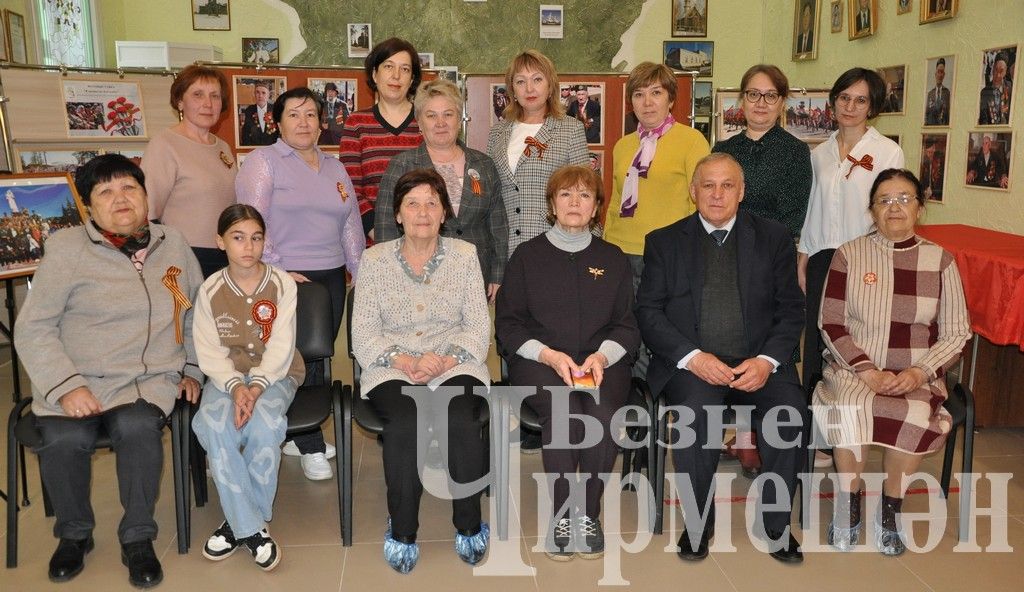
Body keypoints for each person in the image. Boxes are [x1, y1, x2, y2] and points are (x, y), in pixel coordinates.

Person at [14, 154, 204, 588]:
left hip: (148, 378)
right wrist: (66, 386)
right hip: (78, 378)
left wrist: (191, 367)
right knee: (64, 438)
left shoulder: (171, 241)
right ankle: (74, 534)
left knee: (138, 430)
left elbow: (193, 313)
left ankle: (137, 537)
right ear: (89, 207)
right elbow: (35, 326)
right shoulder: (66, 249)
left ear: (145, 195)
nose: (121, 199)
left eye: (130, 188)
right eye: (106, 192)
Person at [636, 153, 807, 564]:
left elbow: (792, 309)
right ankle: (698, 523)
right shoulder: (664, 241)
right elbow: (649, 312)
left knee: (790, 411)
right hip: (694, 364)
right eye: (708, 185)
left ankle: (776, 521)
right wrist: (692, 358)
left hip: (758, 361)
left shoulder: (774, 238)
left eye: (727, 185)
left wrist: (767, 360)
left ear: (742, 191)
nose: (717, 194)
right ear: (693, 192)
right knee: (697, 415)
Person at [814, 169, 971, 556]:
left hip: (916, 372)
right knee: (851, 408)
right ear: (872, 210)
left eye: (904, 199)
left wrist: (920, 372)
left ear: (920, 207)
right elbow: (830, 323)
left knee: (915, 413)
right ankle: (848, 504)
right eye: (884, 200)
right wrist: (867, 370)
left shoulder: (941, 261)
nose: (894, 208)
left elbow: (956, 332)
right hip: (853, 370)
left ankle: (890, 508)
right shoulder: (849, 255)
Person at [351, 168, 491, 574]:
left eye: (432, 202)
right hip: (391, 366)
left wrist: (445, 359)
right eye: (412, 203)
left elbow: (478, 325)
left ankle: (467, 524)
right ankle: (403, 529)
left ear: (444, 211)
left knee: (460, 419)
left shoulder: (464, 256)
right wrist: (406, 361)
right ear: (398, 214)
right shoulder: (374, 259)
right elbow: (363, 332)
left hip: (455, 362)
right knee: (406, 422)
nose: (423, 212)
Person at [495, 165, 639, 561]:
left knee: (601, 412)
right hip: (541, 361)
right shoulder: (526, 257)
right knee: (562, 411)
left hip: (602, 363)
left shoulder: (613, 258)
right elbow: (508, 325)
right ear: (551, 204)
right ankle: (562, 515)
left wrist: (600, 356)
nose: (574, 203)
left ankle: (587, 514)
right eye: (565, 195)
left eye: (585, 196)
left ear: (596, 209)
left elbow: (627, 326)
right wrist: (549, 355)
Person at [236, 86, 365, 480]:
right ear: (277, 121)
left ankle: (301, 434)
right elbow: (250, 221)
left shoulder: (334, 166)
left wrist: (361, 274)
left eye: (311, 114)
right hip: (281, 277)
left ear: (322, 121)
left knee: (317, 358)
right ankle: (306, 444)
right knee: (283, 360)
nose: (304, 122)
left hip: (329, 277)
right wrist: (274, 270)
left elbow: (350, 223)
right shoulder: (263, 161)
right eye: (293, 114)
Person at [192, 205, 304, 572]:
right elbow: (209, 352)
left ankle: (238, 524)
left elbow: (282, 346)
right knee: (212, 423)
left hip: (275, 374)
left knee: (264, 424)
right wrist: (235, 386)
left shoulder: (282, 283)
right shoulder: (209, 290)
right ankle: (253, 528)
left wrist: (254, 388)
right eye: (238, 238)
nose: (248, 247)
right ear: (219, 242)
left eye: (256, 238)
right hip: (225, 377)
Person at [713, 64, 812, 476]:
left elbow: (792, 216)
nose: (760, 103)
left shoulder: (794, 151)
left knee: (765, 347)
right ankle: (734, 432)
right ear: (741, 100)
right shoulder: (723, 149)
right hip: (721, 260)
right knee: (727, 340)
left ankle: (756, 437)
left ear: (782, 102)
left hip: (770, 262)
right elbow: (711, 204)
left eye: (770, 95)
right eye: (753, 94)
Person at [799, 67, 904, 397]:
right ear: (833, 102)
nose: (850, 106)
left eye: (860, 100)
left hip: (865, 259)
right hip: (822, 259)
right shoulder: (819, 154)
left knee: (855, 340)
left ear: (872, 107)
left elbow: (893, 213)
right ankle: (814, 432)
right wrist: (803, 258)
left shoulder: (888, 152)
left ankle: (850, 426)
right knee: (817, 343)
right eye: (844, 98)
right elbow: (811, 210)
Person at [605, 61, 710, 378]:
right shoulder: (624, 146)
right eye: (638, 94)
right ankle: (635, 403)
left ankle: (661, 404)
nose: (647, 102)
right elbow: (614, 201)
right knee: (628, 332)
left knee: (661, 334)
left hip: (668, 256)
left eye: (656, 93)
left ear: (671, 99)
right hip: (623, 253)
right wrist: (606, 247)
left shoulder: (692, 141)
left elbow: (702, 203)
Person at [375, 79, 507, 302]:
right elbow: (386, 227)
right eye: (431, 115)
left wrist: (498, 273)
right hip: (417, 274)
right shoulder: (402, 165)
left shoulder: (483, 164)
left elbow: (498, 225)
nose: (440, 123)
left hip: (476, 273)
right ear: (419, 122)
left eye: (448, 114)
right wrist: (392, 276)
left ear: (459, 119)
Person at [486, 49, 589, 257]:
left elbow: (586, 192)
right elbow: (490, 195)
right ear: (512, 89)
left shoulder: (570, 129)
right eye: (521, 81)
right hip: (505, 250)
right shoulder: (498, 132)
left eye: (537, 79)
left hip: (555, 247)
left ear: (550, 86)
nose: (529, 88)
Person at [142, 64, 237, 278]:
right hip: (184, 257)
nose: (208, 103)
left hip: (226, 255)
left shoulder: (222, 147)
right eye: (197, 95)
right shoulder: (165, 144)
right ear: (180, 101)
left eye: (215, 96)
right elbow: (149, 214)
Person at [340, 37, 424, 242]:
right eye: (388, 66)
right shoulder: (356, 123)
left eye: (404, 69)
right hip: (373, 240)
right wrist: (377, 231)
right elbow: (348, 187)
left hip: (424, 236)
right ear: (375, 74)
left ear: (412, 79)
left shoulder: (427, 121)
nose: (396, 76)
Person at [979, 51, 1013, 125]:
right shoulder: (985, 92)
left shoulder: (1011, 88)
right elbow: (983, 121)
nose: (997, 75)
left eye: (1001, 71)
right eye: (996, 70)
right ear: (993, 68)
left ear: (1006, 71)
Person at [241, 81, 279, 146]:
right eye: (257, 92)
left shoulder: (275, 110)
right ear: (254, 94)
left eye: (263, 93)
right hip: (254, 149)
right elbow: (245, 134)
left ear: (268, 95)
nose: (260, 96)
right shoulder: (249, 110)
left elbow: (280, 133)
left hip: (272, 149)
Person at [924, 58, 950, 125]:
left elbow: (949, 115)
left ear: (944, 75)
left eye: (942, 72)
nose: (940, 75)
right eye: (938, 72)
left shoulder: (947, 93)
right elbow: (926, 114)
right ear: (935, 74)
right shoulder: (930, 94)